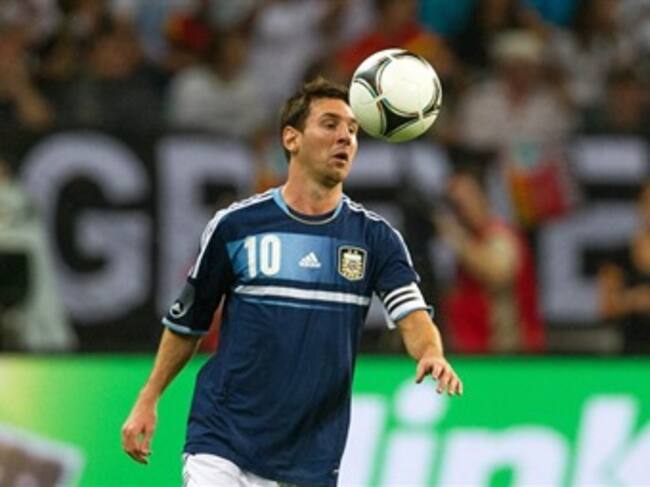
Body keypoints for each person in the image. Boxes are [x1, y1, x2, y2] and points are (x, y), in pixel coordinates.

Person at [121, 77, 462, 486]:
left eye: (353, 129)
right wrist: (149, 397)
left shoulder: (376, 239)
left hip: (310, 459)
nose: (345, 137)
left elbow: (412, 316)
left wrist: (431, 353)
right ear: (291, 138)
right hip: (223, 440)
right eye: (330, 124)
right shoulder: (236, 227)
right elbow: (188, 322)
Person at [435, 171, 544, 354]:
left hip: (504, 349)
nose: (460, 210)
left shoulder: (500, 235)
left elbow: (498, 272)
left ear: (481, 197)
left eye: (463, 201)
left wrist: (457, 238)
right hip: (469, 345)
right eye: (453, 203)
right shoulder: (466, 239)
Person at [598, 181, 650, 354]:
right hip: (629, 354)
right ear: (639, 206)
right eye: (648, 201)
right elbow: (605, 308)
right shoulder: (618, 257)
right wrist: (634, 300)